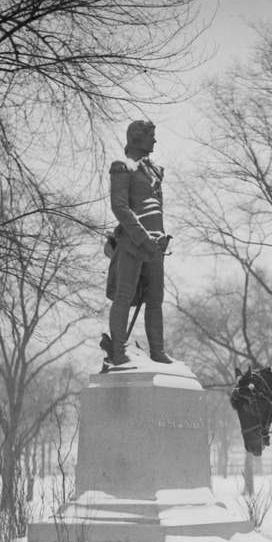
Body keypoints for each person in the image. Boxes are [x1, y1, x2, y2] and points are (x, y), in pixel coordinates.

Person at [108, 119, 173, 366]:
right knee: (124, 296)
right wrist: (143, 238)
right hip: (132, 244)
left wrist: (159, 238)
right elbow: (120, 207)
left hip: (155, 245)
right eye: (150, 136)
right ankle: (118, 351)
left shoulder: (154, 171)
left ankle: (157, 351)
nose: (154, 141)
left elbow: (156, 211)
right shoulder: (123, 168)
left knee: (156, 299)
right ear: (137, 137)